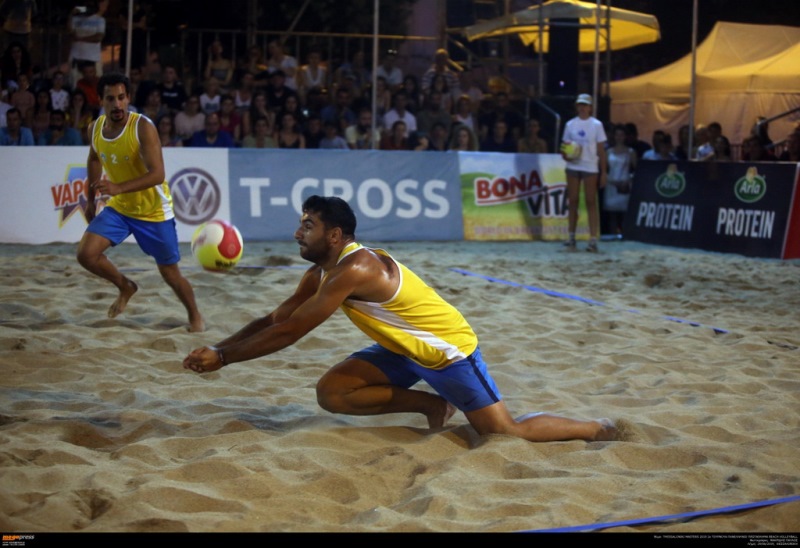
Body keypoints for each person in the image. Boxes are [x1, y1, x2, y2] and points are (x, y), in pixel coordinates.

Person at [183, 196, 617, 444]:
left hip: (447, 352)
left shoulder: (355, 269)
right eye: (301, 224)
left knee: (505, 433)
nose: (299, 232)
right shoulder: (320, 271)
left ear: (334, 236)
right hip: (402, 349)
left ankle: (597, 428)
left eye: (308, 226)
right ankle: (433, 404)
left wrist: (224, 359)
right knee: (333, 392)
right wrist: (222, 348)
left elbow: (292, 331)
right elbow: (276, 317)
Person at [77, 72, 203, 332]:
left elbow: (158, 174)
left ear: (129, 98)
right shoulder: (95, 128)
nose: (117, 104)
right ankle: (125, 286)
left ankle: (195, 317)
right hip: (120, 208)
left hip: (153, 212)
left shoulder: (142, 126)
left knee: (170, 274)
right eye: (110, 99)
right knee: (86, 255)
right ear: (100, 100)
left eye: (122, 97)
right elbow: (93, 158)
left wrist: (116, 187)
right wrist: (90, 201)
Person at [561, 93, 607, 253]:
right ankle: (571, 237)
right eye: (580, 104)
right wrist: (568, 154)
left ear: (590, 107)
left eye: (585, 105)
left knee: (590, 201)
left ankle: (592, 239)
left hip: (590, 166)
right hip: (574, 166)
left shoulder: (596, 125)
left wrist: (603, 172)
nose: (582, 108)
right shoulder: (570, 125)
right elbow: (565, 147)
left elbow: (601, 150)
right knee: (572, 201)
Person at [604, 124, 636, 237]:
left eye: (621, 135)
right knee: (612, 214)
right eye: (617, 135)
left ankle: (624, 235)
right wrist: (609, 180)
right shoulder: (608, 152)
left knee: (624, 213)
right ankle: (613, 234)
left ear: (625, 136)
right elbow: (604, 170)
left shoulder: (631, 152)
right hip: (611, 184)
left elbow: (636, 170)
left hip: (625, 184)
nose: (619, 137)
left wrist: (629, 180)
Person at [68, 1, 108, 84]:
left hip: (93, 58)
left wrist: (81, 39)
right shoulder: (76, 19)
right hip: (77, 58)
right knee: (76, 83)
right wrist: (71, 14)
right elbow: (70, 32)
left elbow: (98, 37)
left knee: (96, 85)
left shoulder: (99, 20)